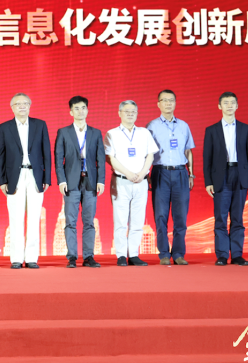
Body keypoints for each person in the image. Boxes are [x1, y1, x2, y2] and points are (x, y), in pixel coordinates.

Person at [0, 93, 51, 269]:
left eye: (25, 103)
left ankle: (32, 258)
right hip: (15, 177)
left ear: (30, 106)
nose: (22, 106)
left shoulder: (40, 125)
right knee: (16, 218)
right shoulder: (4, 127)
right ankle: (17, 258)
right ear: (12, 107)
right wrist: (2, 180)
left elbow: (46, 153)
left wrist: (47, 178)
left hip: (35, 176)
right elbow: (0, 156)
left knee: (34, 218)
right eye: (18, 104)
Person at [203, 92, 248, 266]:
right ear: (219, 106)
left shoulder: (245, 128)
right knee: (220, 217)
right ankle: (222, 255)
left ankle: (237, 255)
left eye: (232, 102)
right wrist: (208, 182)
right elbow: (207, 158)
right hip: (221, 176)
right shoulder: (211, 130)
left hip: (240, 175)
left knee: (237, 217)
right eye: (225, 103)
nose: (229, 105)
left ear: (237, 106)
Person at [104, 100, 158, 267]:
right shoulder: (112, 133)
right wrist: (128, 173)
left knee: (138, 220)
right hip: (121, 181)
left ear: (137, 114)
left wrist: (142, 173)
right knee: (120, 220)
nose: (130, 114)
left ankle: (133, 254)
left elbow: (150, 155)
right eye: (126, 111)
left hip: (141, 182)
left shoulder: (144, 133)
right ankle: (121, 255)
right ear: (119, 113)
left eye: (133, 111)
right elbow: (110, 158)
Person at [54, 96, 105, 268]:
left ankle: (89, 256)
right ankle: (72, 257)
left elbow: (100, 159)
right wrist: (61, 181)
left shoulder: (95, 133)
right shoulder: (63, 132)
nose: (80, 111)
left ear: (87, 110)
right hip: (71, 182)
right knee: (70, 221)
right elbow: (58, 159)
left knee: (89, 221)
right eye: (76, 108)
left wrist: (101, 181)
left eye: (83, 108)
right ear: (71, 112)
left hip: (91, 182)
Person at [146, 90, 196, 266]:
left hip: (181, 172)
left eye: (171, 100)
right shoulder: (151, 126)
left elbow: (188, 151)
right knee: (161, 215)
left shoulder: (183, 126)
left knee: (180, 216)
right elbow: (146, 153)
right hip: (160, 173)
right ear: (158, 104)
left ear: (175, 103)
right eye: (164, 100)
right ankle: (164, 254)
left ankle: (179, 253)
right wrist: (147, 174)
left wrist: (191, 173)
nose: (168, 103)